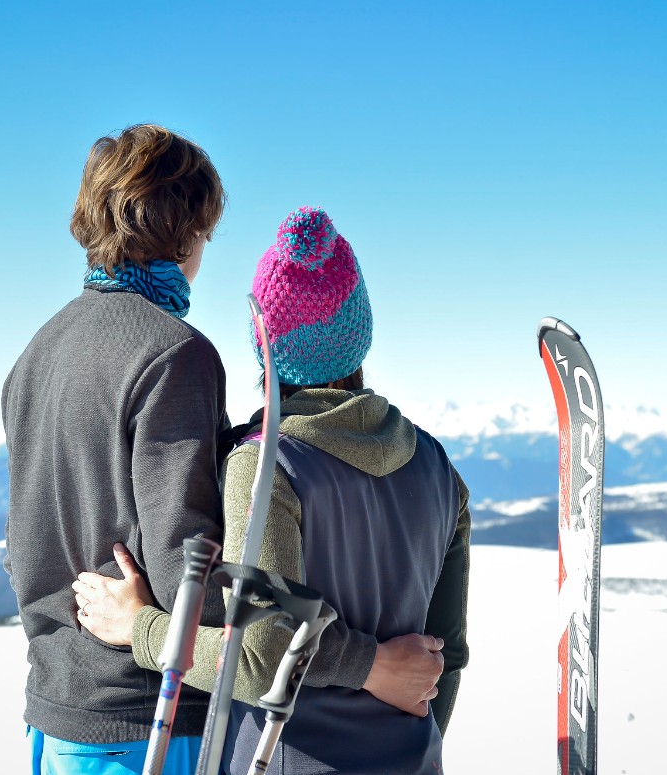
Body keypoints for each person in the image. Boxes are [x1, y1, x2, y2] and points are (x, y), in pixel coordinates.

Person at [74, 206, 471, 775]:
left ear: (265, 346)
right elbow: (446, 655)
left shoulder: (266, 465)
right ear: (359, 333)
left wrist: (139, 628)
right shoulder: (437, 466)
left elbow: (257, 657)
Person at [1, 123, 230, 773]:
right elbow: (186, 570)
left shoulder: (36, 354)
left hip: (54, 715)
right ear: (185, 230)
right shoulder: (173, 354)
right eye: (206, 233)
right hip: (146, 722)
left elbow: (21, 549)